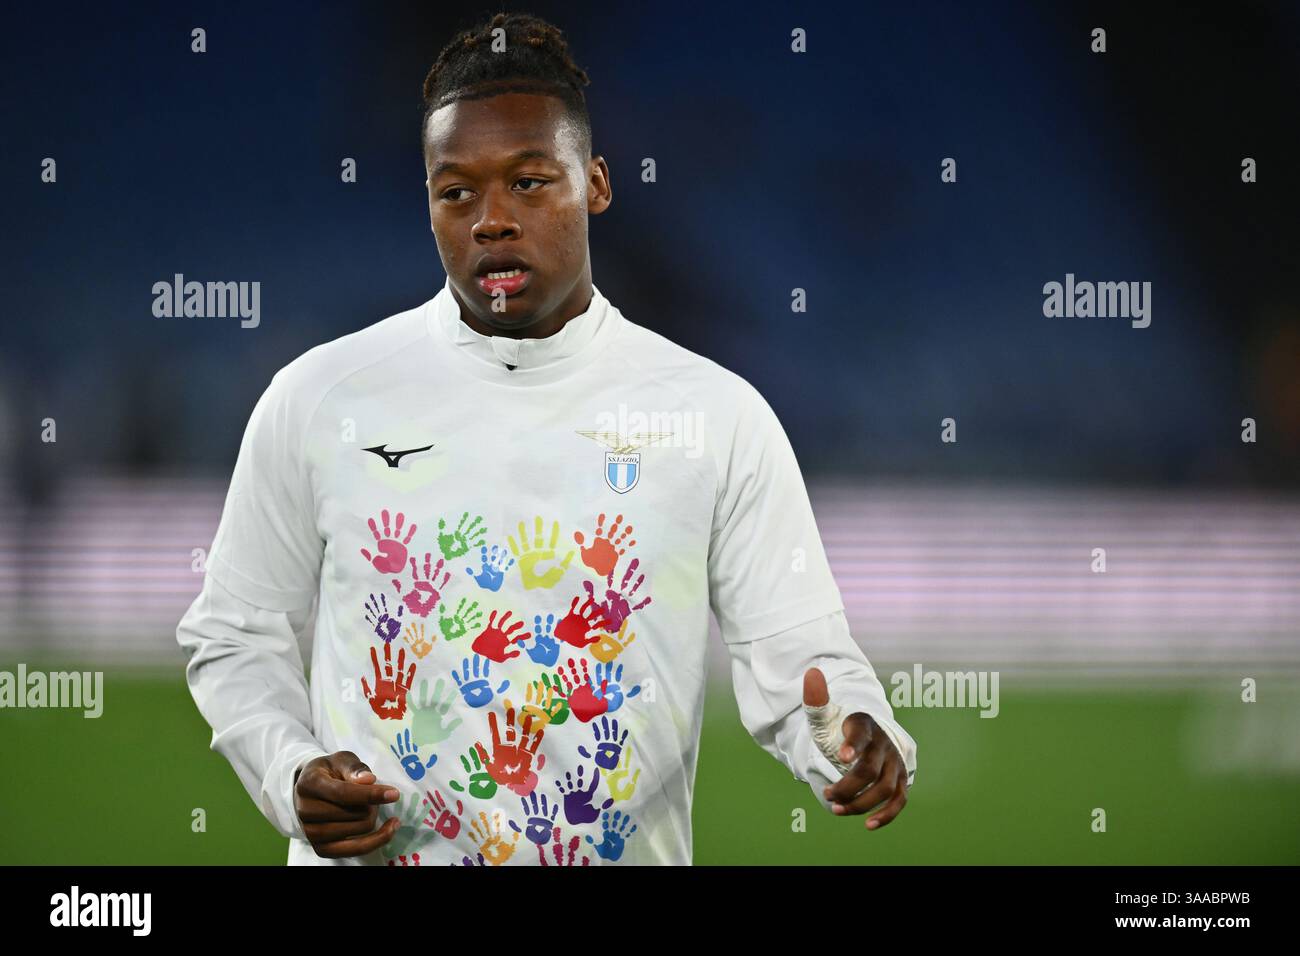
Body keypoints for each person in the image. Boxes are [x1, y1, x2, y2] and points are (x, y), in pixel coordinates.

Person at [177, 11, 915, 866]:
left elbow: (805, 664)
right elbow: (234, 632)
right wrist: (289, 770)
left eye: (529, 183)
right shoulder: (318, 399)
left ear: (595, 185)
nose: (491, 219)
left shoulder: (716, 415)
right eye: (456, 192)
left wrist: (855, 733)